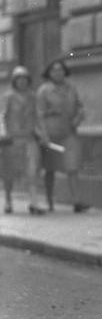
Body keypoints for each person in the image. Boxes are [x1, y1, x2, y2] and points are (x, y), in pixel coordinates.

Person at [36, 59, 90, 213]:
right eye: (54, 70)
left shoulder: (71, 88)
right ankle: (49, 201)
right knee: (50, 169)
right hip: (50, 134)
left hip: (69, 133)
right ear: (49, 73)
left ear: (64, 71)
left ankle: (77, 201)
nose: (57, 73)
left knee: (72, 167)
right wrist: (44, 136)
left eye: (60, 70)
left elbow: (80, 107)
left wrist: (77, 119)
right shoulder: (43, 91)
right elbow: (39, 115)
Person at [0, 66, 46, 215]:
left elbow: (38, 117)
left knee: (32, 170)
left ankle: (33, 202)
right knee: (9, 172)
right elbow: (2, 116)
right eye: (19, 79)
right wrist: (3, 134)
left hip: (29, 139)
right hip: (12, 140)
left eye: (25, 79)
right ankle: (8, 201)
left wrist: (43, 135)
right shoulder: (8, 97)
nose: (22, 82)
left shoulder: (33, 97)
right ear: (14, 81)